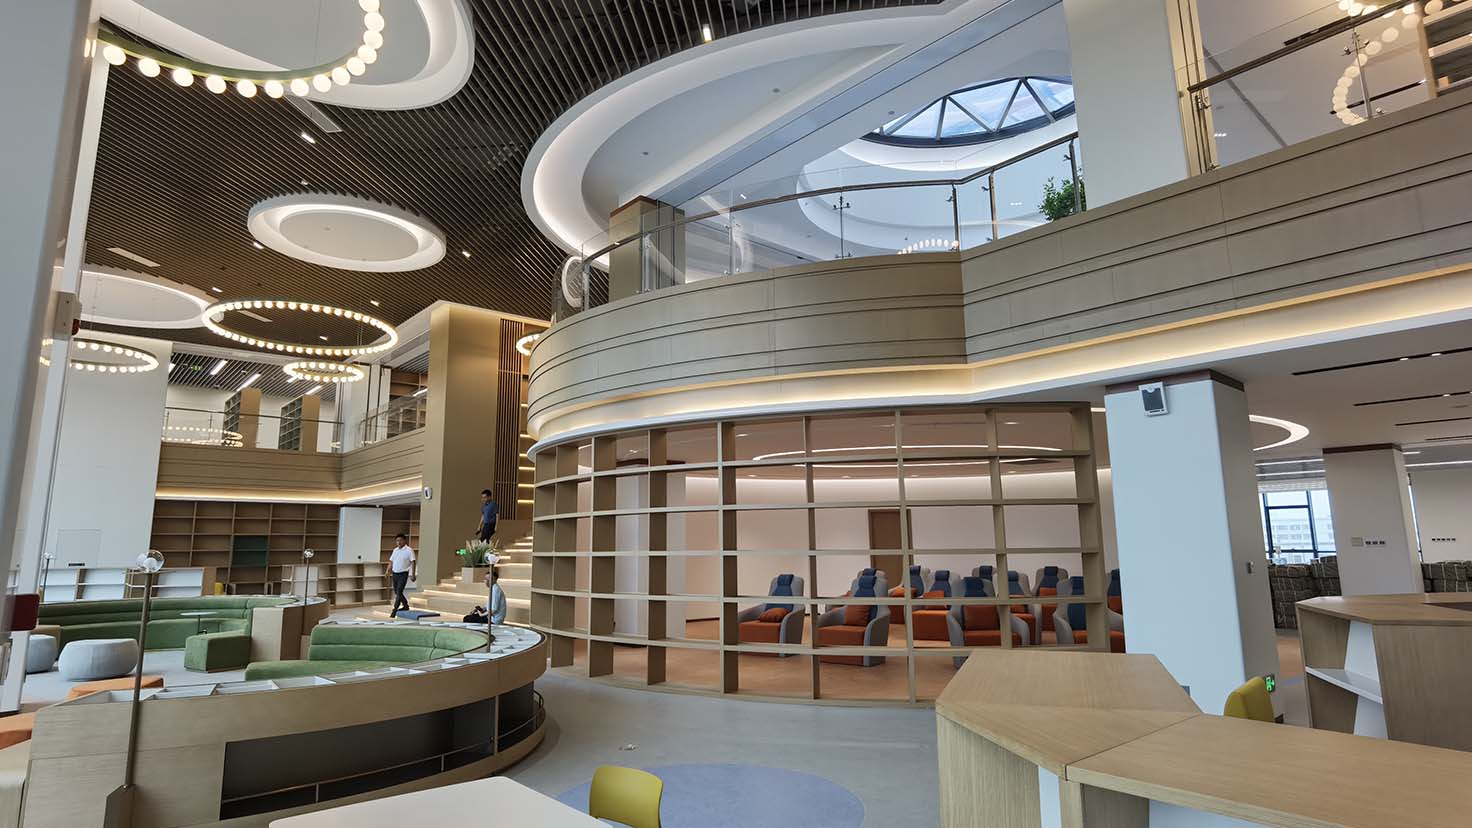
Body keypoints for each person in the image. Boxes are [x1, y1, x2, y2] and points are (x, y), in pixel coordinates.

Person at [388, 533, 416, 618]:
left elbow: (413, 562)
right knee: (397, 592)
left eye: (400, 540)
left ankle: (394, 610)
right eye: (397, 540)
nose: (399, 542)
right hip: (395, 573)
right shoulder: (395, 550)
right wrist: (387, 571)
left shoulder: (409, 550)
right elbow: (391, 561)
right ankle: (405, 605)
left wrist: (412, 574)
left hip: (403, 574)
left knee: (399, 591)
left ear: (404, 540)